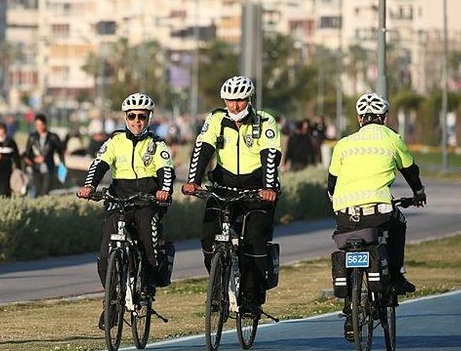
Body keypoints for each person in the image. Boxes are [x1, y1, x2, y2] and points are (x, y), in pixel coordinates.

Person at [327, 92, 425, 341]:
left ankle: (350, 314)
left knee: (349, 248)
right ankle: (395, 275)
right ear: (384, 117)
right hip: (378, 211)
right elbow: (410, 170)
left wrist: (339, 204)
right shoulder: (393, 138)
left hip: (344, 212)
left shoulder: (344, 143)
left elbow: (331, 184)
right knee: (399, 224)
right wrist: (418, 192)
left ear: (360, 118)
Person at [181, 75, 282, 315]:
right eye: (230, 101)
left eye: (240, 100)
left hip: (257, 189)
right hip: (223, 187)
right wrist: (193, 181)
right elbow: (202, 149)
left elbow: (270, 156)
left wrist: (268, 188)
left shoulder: (265, 121)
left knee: (254, 240)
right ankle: (217, 289)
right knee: (208, 235)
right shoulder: (216, 119)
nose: (235, 105)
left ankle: (251, 298)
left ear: (249, 99)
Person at [77, 93, 175, 329]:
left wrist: (164, 190)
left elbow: (166, 171)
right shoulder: (114, 142)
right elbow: (99, 164)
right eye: (132, 116)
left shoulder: (157, 144)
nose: (137, 121)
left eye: (142, 116)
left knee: (149, 245)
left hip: (147, 200)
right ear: (126, 118)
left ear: (149, 117)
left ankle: (147, 287)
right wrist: (89, 186)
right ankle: (111, 302)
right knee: (104, 256)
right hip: (119, 198)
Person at [23, 113, 65, 196]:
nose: (39, 127)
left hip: (48, 168)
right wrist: (34, 159)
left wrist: (62, 166)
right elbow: (27, 153)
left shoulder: (53, 137)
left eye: (41, 124)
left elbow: (60, 151)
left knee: (45, 191)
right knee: (37, 191)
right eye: (37, 125)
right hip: (36, 168)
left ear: (45, 124)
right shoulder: (32, 137)